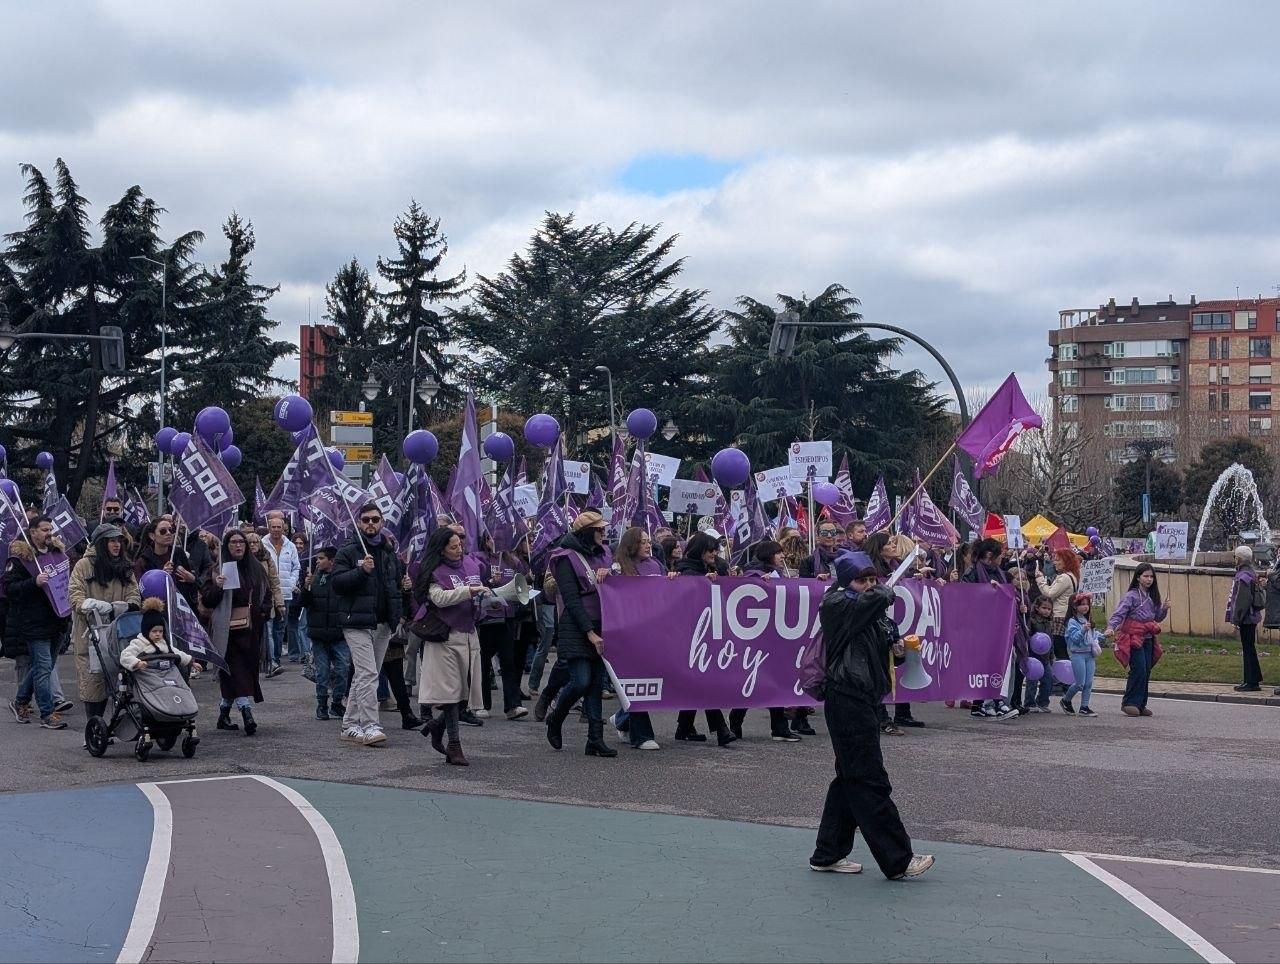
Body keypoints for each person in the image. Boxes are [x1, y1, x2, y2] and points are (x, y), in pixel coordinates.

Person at [808, 551, 934, 880]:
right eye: (861, 580)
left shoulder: (871, 612)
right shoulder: (835, 604)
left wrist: (897, 651)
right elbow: (873, 600)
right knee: (868, 778)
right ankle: (898, 859)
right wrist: (881, 589)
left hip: (863, 698)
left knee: (850, 778)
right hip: (847, 696)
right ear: (845, 582)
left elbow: (881, 648)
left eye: (871, 579)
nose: (868, 585)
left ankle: (828, 852)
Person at [332, 504, 412, 748]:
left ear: (382, 522)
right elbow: (337, 583)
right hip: (356, 622)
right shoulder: (348, 551)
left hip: (382, 623)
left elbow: (394, 589)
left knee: (366, 674)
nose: (370, 524)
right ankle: (370, 725)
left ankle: (349, 725)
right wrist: (361, 572)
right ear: (358, 522)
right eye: (365, 519)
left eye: (375, 519)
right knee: (367, 674)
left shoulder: (390, 553)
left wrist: (404, 590)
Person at [544, 511, 618, 757]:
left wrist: (610, 574)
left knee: (596, 682)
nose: (603, 533)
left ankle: (595, 739)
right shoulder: (565, 558)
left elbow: (617, 584)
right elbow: (571, 599)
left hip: (602, 622)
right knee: (581, 680)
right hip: (576, 625)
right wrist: (589, 633)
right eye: (598, 529)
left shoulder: (604, 553)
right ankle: (556, 717)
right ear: (586, 532)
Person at [416, 527, 486, 766]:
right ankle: (454, 745)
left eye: (460, 545)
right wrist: (468, 591)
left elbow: (477, 591)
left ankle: (437, 726)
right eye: (453, 546)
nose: (459, 550)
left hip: (468, 634)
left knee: (465, 694)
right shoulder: (434, 571)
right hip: (445, 636)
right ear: (441, 548)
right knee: (450, 695)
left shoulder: (471, 565)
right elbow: (439, 598)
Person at [201, 530, 272, 735]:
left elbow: (266, 593)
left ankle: (224, 713)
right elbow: (207, 600)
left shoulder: (256, 568)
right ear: (226, 545)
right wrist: (218, 586)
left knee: (244, 670)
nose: (238, 546)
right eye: (233, 542)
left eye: (241, 542)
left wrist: (263, 611)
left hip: (251, 630)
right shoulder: (217, 569)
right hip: (227, 632)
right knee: (235, 670)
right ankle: (246, 712)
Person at [732, 539, 802, 743]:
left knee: (776, 682)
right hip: (757, 640)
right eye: (778, 553)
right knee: (750, 683)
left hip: (775, 637)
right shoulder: (752, 575)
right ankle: (735, 723)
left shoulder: (778, 574)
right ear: (767, 555)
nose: (782, 556)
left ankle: (779, 727)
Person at [68, 523, 141, 719]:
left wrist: (123, 606)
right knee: (94, 683)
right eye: (111, 541)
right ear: (101, 543)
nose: (117, 545)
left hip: (120, 634)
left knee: (125, 682)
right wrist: (89, 605)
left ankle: (122, 723)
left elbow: (134, 595)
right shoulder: (84, 566)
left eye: (119, 541)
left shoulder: (125, 566)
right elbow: (75, 596)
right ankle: (95, 727)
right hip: (91, 636)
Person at [4, 517, 72, 729]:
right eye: (44, 530)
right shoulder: (20, 560)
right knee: (43, 668)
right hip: (34, 623)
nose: (49, 533)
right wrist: (34, 582)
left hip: (58, 620)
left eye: (51, 529)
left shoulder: (57, 554)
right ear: (32, 532)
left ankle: (21, 701)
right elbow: (10, 589)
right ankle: (47, 713)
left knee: (44, 666)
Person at [607, 527, 669, 750]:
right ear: (632, 544)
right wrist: (604, 576)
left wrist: (672, 579)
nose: (648, 545)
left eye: (649, 541)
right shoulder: (618, 568)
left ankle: (623, 717)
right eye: (643, 542)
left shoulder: (656, 565)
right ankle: (641, 735)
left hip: (654, 630)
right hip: (630, 632)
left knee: (655, 676)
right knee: (638, 679)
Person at [673, 531, 737, 746]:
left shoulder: (711, 570)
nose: (714, 553)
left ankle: (684, 726)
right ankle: (721, 729)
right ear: (700, 550)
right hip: (691, 635)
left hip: (707, 633)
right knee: (704, 680)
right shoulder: (686, 571)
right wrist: (704, 582)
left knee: (698, 680)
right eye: (710, 549)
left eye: (716, 549)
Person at [863, 532, 924, 731]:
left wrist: (917, 579)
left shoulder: (898, 567)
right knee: (878, 667)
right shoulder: (869, 570)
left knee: (895, 663)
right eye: (889, 543)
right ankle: (881, 717)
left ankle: (902, 712)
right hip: (875, 622)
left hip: (893, 621)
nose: (893, 545)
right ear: (879, 548)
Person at [1105, 563, 1168, 717]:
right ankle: (1129, 702)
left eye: (1151, 576)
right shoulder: (1131, 596)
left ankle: (1141, 704)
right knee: (1138, 669)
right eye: (1146, 576)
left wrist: (1164, 609)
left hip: (1148, 638)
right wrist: (1111, 626)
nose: (1149, 579)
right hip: (1133, 638)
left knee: (1146, 670)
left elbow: (1156, 617)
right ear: (1138, 577)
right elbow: (1120, 613)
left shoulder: (1153, 596)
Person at [298, 546, 349, 720]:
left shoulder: (341, 580)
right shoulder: (313, 579)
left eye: (321, 558)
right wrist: (306, 587)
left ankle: (337, 703)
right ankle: (321, 705)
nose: (317, 561)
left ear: (331, 561)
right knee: (322, 672)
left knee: (342, 669)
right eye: (317, 559)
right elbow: (303, 603)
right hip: (319, 634)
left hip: (338, 633)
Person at [263, 511, 303, 666]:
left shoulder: (290, 546)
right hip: (267, 593)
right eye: (273, 527)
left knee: (280, 629)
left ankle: (277, 658)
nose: (276, 529)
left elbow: (296, 567)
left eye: (279, 527)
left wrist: (292, 583)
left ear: (283, 528)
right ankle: (271, 660)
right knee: (268, 626)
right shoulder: (262, 544)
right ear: (269, 528)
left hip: (285, 593)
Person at [247, 531, 287, 677]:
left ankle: (272, 663)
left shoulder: (266, 558)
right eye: (250, 543)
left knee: (268, 632)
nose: (253, 545)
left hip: (265, 602)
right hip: (248, 603)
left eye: (255, 542)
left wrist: (280, 603)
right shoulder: (243, 559)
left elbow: (274, 582)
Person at [1228, 545, 1265, 693]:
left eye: (1235, 557)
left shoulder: (1243, 576)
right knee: (1250, 648)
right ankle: (1252, 679)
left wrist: (1236, 619)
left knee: (1248, 648)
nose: (1234, 559)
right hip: (1251, 616)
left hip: (1246, 618)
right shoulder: (1250, 573)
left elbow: (1241, 601)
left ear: (1240, 559)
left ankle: (1251, 681)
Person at [120, 598, 193, 673]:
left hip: (167, 674)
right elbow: (125, 655)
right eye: (154, 631)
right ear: (146, 631)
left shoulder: (164, 643)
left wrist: (191, 662)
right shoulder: (139, 643)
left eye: (161, 631)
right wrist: (137, 663)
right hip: (147, 675)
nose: (158, 634)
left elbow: (177, 652)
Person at [1035, 548, 1080, 667]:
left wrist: (1040, 580)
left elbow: (1049, 594)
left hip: (1059, 616)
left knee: (1059, 649)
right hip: (1066, 614)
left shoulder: (1064, 577)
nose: (1055, 562)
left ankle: (1064, 678)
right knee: (1062, 648)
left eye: (1058, 560)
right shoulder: (1072, 576)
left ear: (1066, 561)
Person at [1062, 592, 1099, 716]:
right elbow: (1074, 639)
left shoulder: (1087, 620)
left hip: (1089, 654)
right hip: (1078, 655)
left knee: (1088, 683)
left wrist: (1104, 635)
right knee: (1080, 683)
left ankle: (1084, 706)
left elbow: (1094, 637)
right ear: (1074, 606)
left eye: (1087, 604)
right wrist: (1083, 630)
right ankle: (1066, 700)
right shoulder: (1072, 622)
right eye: (1082, 604)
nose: (1085, 607)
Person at [1024, 596, 1056, 713]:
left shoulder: (1049, 623)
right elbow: (1028, 638)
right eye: (1044, 608)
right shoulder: (1032, 621)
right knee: (1032, 681)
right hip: (1033, 657)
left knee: (1048, 679)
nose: (1046, 611)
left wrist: (1052, 655)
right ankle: (1029, 703)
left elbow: (1050, 641)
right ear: (1037, 608)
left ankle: (1042, 701)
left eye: (1049, 609)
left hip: (1045, 657)